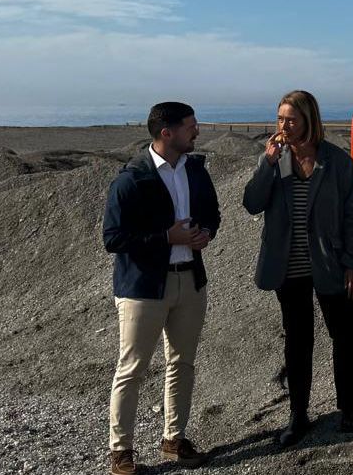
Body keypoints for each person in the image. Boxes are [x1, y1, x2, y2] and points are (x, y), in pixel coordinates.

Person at [242, 89, 353, 445]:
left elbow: (352, 215)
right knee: (298, 342)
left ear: (309, 120)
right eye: (280, 119)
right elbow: (251, 203)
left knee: (347, 337)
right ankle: (298, 416)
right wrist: (267, 163)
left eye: (291, 119)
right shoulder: (274, 160)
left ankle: (351, 413)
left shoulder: (336, 160)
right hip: (288, 268)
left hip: (331, 263)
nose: (284, 126)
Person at [102, 101, 222, 475]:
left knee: (182, 364)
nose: (197, 130)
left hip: (190, 280)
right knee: (132, 369)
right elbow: (113, 238)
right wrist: (166, 237)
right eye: (191, 126)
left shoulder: (196, 171)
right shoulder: (131, 178)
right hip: (143, 288)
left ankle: (174, 440)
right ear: (166, 133)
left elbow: (212, 214)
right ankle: (120, 452)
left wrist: (205, 233)